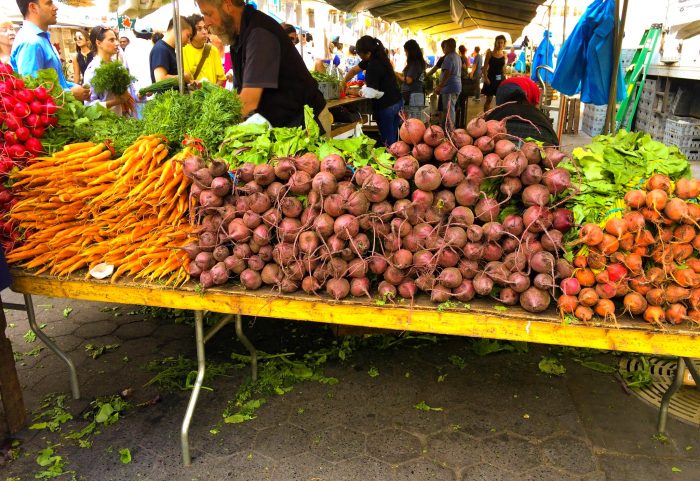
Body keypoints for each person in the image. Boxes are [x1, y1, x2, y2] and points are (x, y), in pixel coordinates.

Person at [197, 0, 326, 128]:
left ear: (227, 5)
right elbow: (240, 94)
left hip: (308, 123)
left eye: (208, 14)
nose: (206, 22)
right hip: (285, 125)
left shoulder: (260, 33)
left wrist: (210, 125)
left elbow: (248, 101)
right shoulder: (238, 38)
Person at [11, 0, 90, 101]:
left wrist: (73, 87)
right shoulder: (31, 42)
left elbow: (55, 83)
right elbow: (32, 93)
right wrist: (69, 94)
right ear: (33, 7)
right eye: (49, 3)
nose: (55, 7)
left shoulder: (41, 38)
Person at [343, 36, 402, 146]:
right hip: (396, 102)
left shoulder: (374, 65)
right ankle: (395, 158)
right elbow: (355, 70)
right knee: (393, 137)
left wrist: (352, 92)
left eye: (360, 53)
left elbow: (371, 93)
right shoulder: (378, 57)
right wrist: (344, 81)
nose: (359, 56)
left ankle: (391, 160)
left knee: (388, 141)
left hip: (387, 106)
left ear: (368, 53)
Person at [485, 76, 558, 146]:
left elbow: (500, 106)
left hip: (502, 86)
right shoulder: (534, 92)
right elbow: (535, 105)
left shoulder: (498, 112)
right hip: (517, 87)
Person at [83, 26, 137, 116]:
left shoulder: (117, 65)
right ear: (99, 43)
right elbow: (89, 105)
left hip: (122, 119)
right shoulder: (93, 69)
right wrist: (116, 101)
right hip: (106, 123)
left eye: (116, 39)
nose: (117, 43)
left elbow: (128, 94)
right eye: (111, 40)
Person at [183, 14, 226, 86]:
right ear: (191, 31)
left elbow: (221, 78)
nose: (204, 32)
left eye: (205, 28)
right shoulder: (183, 50)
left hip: (212, 95)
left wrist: (212, 91)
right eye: (199, 29)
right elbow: (183, 78)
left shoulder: (213, 50)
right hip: (193, 95)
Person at [149, 16, 194, 83]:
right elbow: (160, 79)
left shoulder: (169, 49)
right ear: (177, 29)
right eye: (188, 36)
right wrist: (183, 76)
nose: (189, 41)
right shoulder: (161, 49)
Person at [434, 38, 461, 130]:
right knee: (449, 109)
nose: (443, 48)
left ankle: (450, 130)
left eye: (444, 46)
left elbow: (447, 73)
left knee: (449, 109)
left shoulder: (449, 57)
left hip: (450, 87)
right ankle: (447, 128)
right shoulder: (457, 56)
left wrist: (440, 86)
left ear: (448, 46)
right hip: (455, 86)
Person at [395, 39, 424, 120]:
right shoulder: (419, 62)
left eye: (406, 51)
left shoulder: (415, 63)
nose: (405, 54)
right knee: (414, 120)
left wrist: (396, 75)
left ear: (411, 51)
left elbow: (408, 80)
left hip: (412, 94)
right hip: (415, 93)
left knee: (412, 121)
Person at [123, 26, 153, 101]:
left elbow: (125, 69)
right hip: (152, 91)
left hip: (136, 93)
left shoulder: (128, 48)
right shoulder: (153, 46)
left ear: (134, 32)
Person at [481, 35, 507, 111]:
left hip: (500, 79)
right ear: (495, 43)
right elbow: (484, 68)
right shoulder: (489, 54)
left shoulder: (504, 54)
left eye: (502, 43)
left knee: (500, 101)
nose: (500, 44)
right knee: (488, 100)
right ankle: (485, 117)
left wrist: (505, 79)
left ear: (504, 44)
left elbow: (503, 68)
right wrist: (485, 78)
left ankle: (497, 118)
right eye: (498, 42)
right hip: (490, 79)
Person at [456, 44, 471, 127]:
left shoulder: (460, 58)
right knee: (462, 104)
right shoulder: (463, 58)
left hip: (461, 82)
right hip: (463, 82)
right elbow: (465, 68)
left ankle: (460, 123)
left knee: (460, 104)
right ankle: (461, 123)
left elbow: (464, 68)